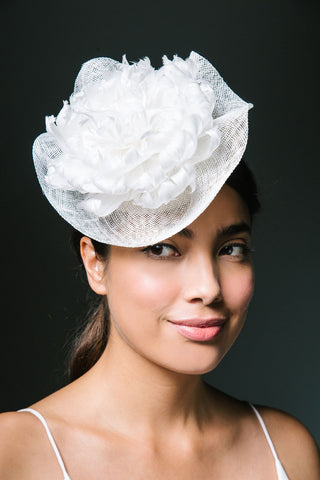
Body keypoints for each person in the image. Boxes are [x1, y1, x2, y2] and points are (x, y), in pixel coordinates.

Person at [0, 52, 319, 480]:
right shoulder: (15, 453)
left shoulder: (286, 449)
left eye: (231, 249)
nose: (208, 288)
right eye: (163, 249)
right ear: (95, 263)